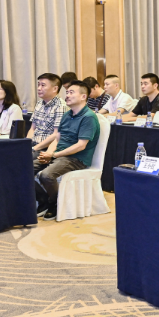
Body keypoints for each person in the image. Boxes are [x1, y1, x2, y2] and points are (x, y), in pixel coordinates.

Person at [33, 80, 101, 220]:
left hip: (76, 159)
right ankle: (43, 200)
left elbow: (80, 145)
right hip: (58, 155)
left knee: (46, 175)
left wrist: (54, 155)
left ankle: (55, 203)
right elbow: (57, 139)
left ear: (83, 96)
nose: (67, 95)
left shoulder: (88, 117)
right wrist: (49, 153)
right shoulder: (67, 114)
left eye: (71, 92)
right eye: (67, 92)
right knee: (22, 169)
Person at [27, 74, 66, 149]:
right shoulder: (39, 103)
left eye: (43, 85)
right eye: (38, 85)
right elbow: (32, 128)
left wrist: (34, 148)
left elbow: (56, 134)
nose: (39, 88)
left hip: (46, 148)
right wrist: (26, 145)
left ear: (55, 89)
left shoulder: (61, 106)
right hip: (32, 145)